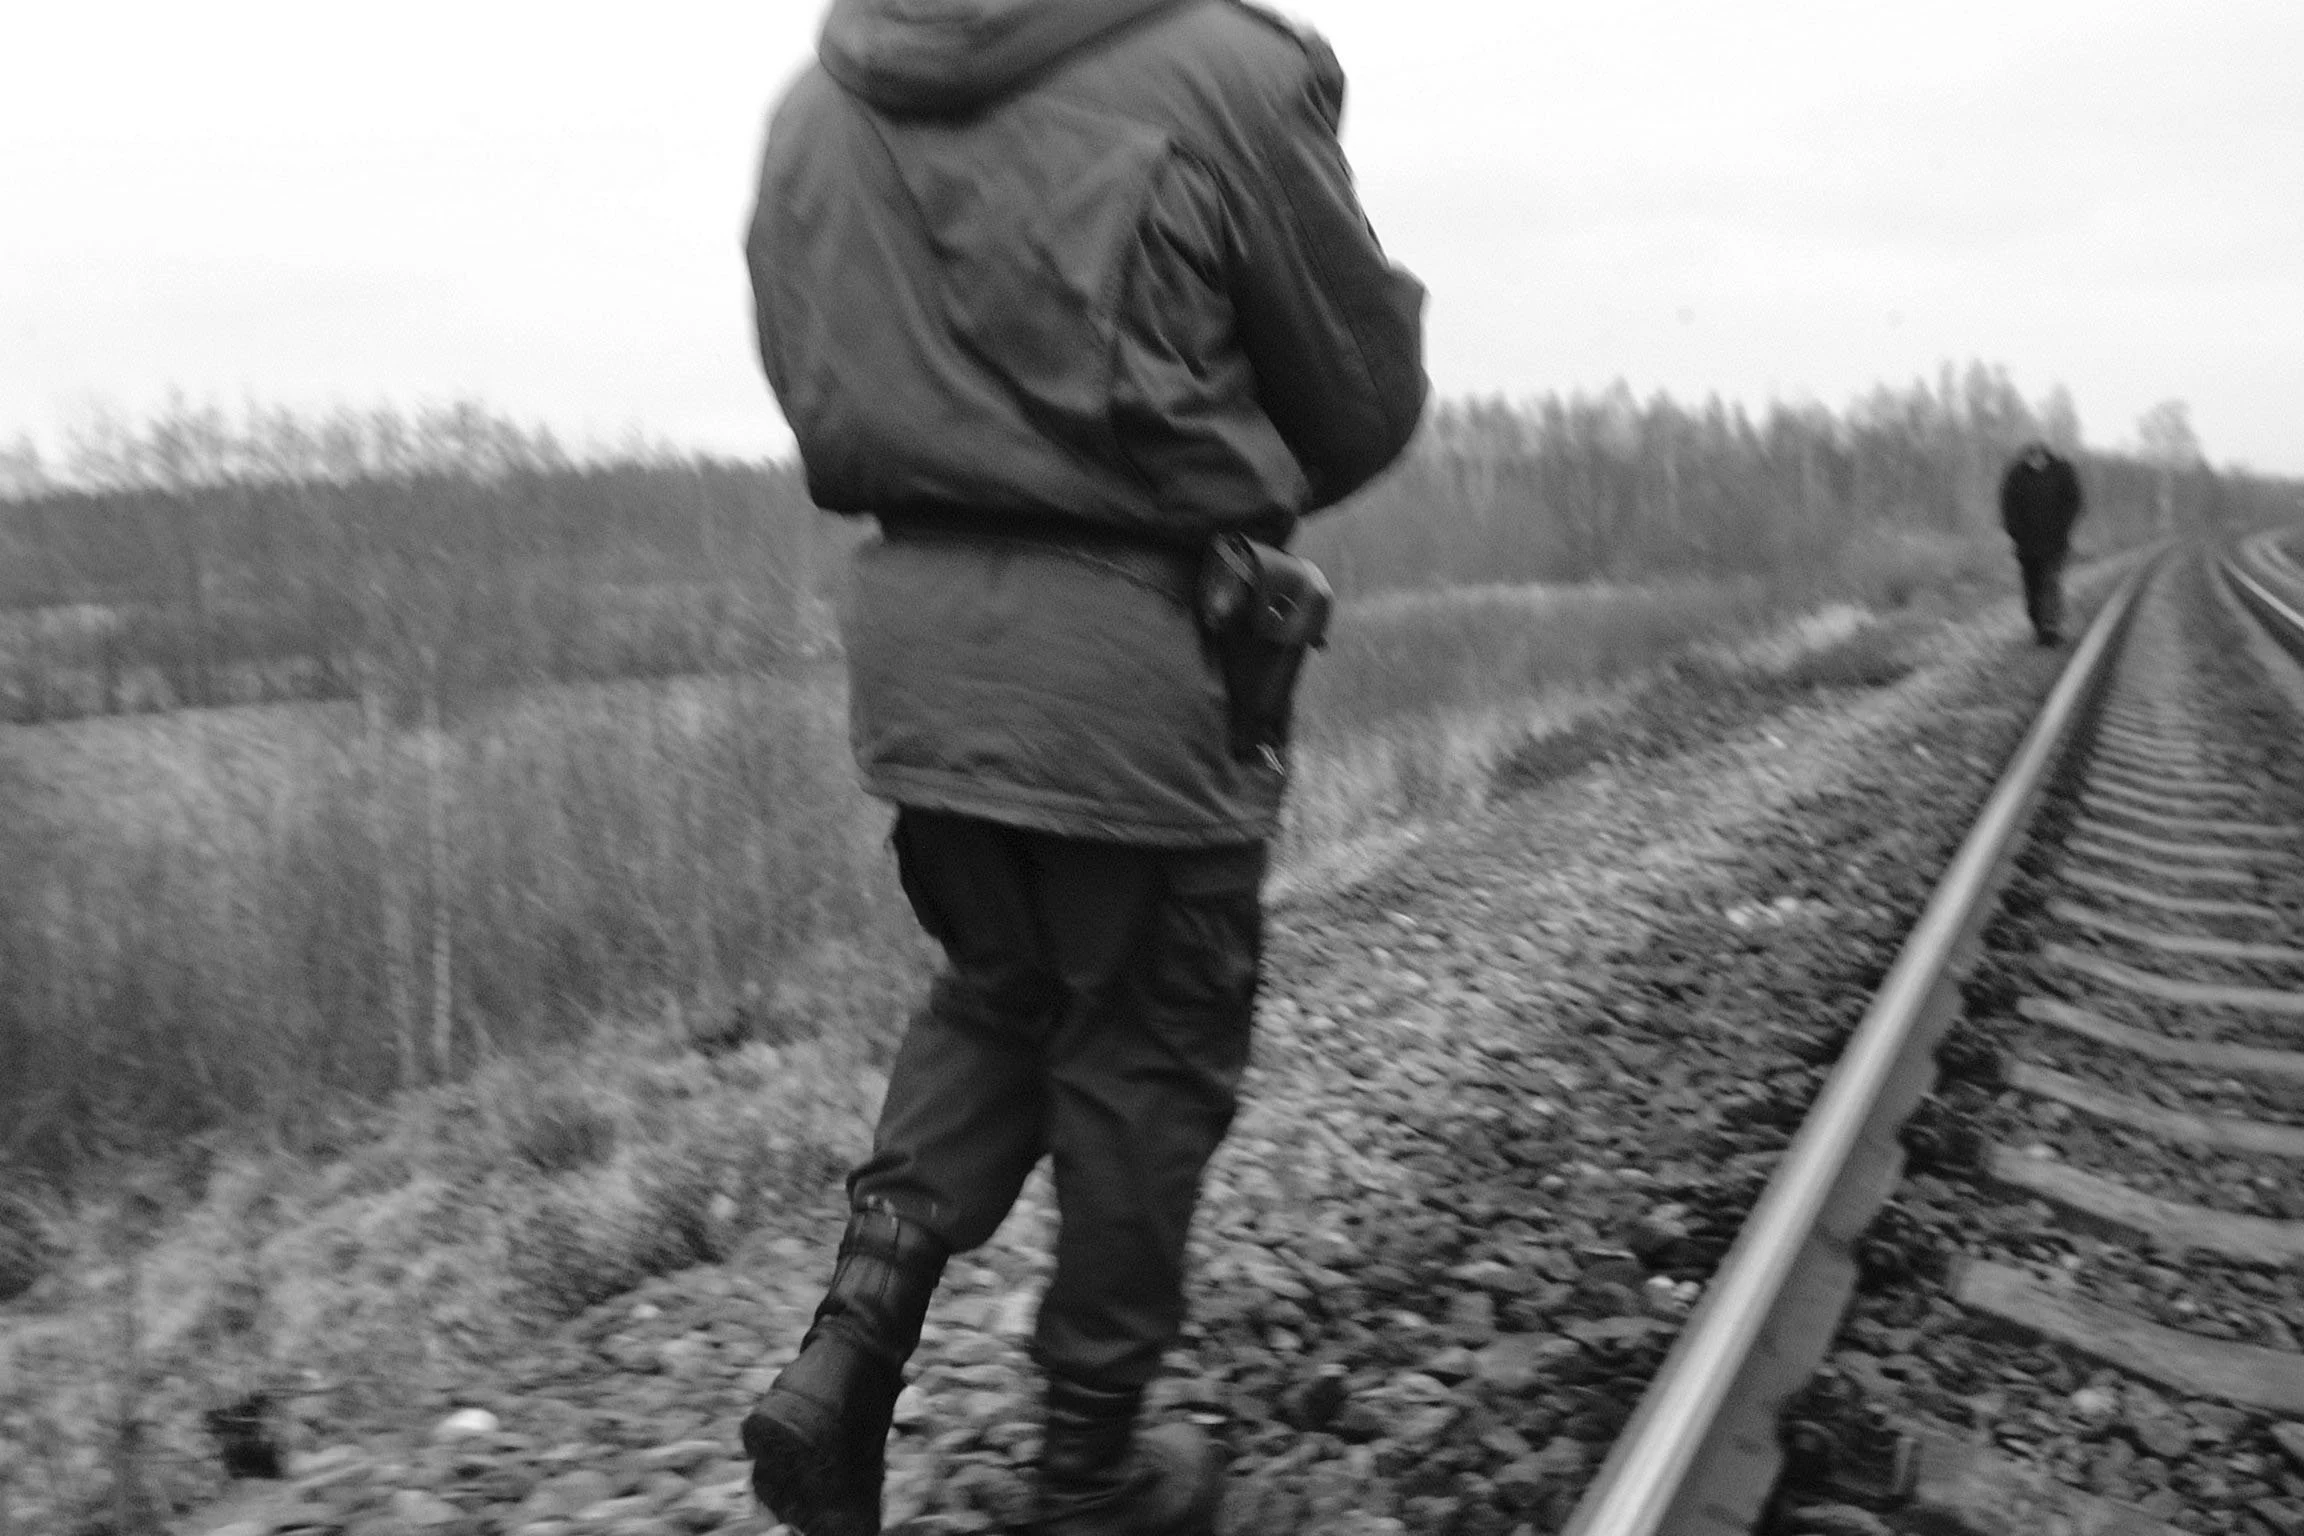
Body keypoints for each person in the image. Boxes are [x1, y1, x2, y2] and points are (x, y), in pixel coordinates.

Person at [737, 1, 1428, 1533]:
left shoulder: (818, 101)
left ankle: (844, 1358)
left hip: (921, 667)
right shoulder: (1231, 73)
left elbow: (810, 375)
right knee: (1148, 1052)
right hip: (1140, 677)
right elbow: (1362, 396)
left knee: (1000, 988)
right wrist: (1193, 460)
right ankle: (1091, 1468)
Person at [1999, 441, 2085, 645]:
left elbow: (2074, 501)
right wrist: (2015, 532)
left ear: (2046, 456)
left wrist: (2063, 528)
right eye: (2032, 457)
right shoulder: (2016, 475)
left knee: (2051, 584)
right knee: (2032, 587)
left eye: (2040, 457)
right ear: (2027, 457)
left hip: (2055, 543)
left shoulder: (2062, 472)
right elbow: (2007, 506)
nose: (2036, 461)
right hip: (2026, 545)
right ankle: (2038, 625)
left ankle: (2051, 628)